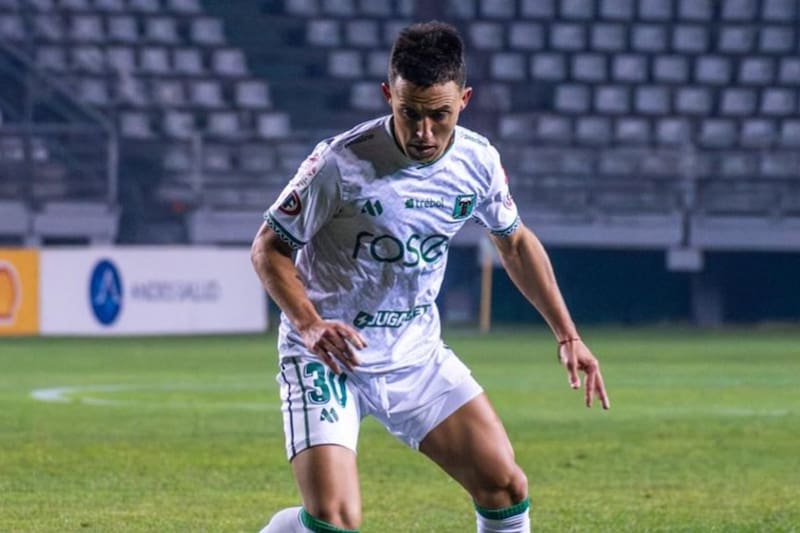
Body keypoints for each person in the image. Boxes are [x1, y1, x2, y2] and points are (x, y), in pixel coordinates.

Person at [251, 20, 610, 533]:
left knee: (505, 487)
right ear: (387, 95)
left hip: (414, 354)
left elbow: (514, 241)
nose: (423, 133)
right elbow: (268, 249)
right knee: (334, 519)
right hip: (328, 357)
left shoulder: (478, 161)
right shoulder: (340, 163)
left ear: (464, 99)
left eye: (439, 115)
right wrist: (309, 325)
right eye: (410, 113)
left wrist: (567, 334)